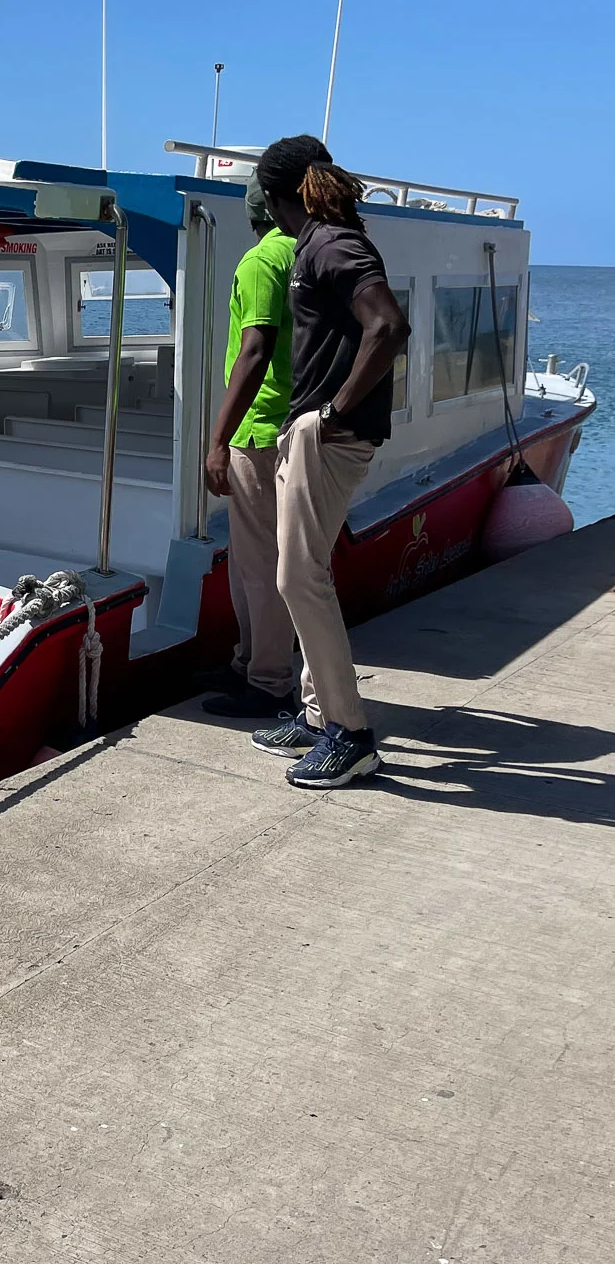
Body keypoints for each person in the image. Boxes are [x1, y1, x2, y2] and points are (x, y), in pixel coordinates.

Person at [249, 135, 409, 789]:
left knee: (296, 578)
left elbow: (388, 325)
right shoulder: (319, 242)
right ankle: (319, 721)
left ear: (271, 193)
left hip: (329, 436)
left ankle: (350, 734)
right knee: (304, 574)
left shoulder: (329, 243)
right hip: (315, 432)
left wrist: (333, 413)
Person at [200, 173, 298, 720]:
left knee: (259, 564)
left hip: (260, 430)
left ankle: (268, 681)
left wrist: (218, 440)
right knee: (254, 560)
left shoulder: (261, 262)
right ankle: (248, 663)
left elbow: (254, 350)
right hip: (289, 425)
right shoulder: (302, 253)